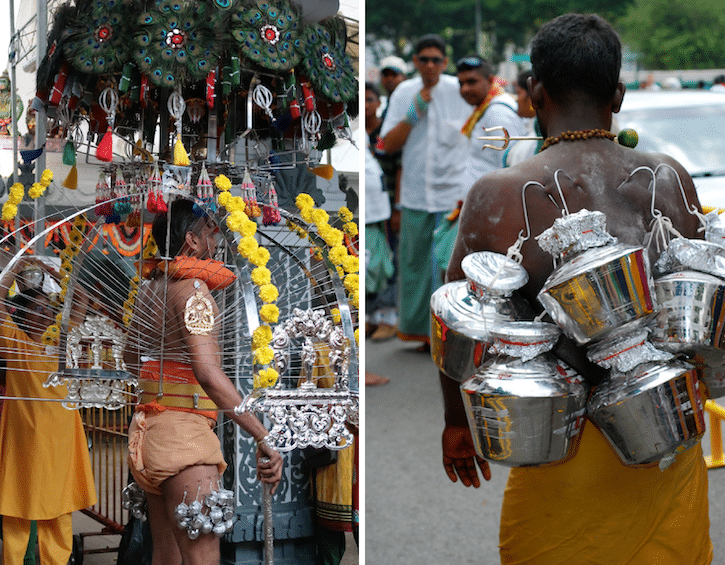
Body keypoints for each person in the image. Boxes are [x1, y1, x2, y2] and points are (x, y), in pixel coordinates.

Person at [439, 13, 712, 564]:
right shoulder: (668, 177)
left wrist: (456, 423)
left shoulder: (498, 193)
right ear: (618, 93)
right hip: (662, 430)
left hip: (556, 440)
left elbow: (457, 323)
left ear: (534, 91)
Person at [124, 199, 283, 565]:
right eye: (211, 231)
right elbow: (209, 374)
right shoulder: (193, 289)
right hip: (184, 440)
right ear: (192, 242)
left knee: (166, 555)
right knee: (202, 558)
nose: (216, 240)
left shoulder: (151, 287)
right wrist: (262, 435)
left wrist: (165, 380)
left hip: (146, 434)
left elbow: (132, 358)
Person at [0, 258, 96, 565]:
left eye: (48, 309)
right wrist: (16, 268)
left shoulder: (62, 343)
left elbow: (81, 297)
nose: (44, 314)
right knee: (18, 505)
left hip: (61, 441)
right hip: (24, 443)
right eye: (36, 309)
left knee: (59, 507)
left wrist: (52, 273)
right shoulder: (14, 342)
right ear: (23, 315)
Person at [380, 34, 470, 349]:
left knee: (446, 267)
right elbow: (387, 145)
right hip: (417, 195)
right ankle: (420, 334)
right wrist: (412, 114)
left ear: (444, 63)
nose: (430, 65)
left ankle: (447, 336)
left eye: (436, 60)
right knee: (415, 268)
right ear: (415, 62)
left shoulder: (460, 90)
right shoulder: (405, 92)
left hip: (452, 196)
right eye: (424, 59)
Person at [455, 55, 526, 187]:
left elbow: (512, 168)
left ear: (490, 80)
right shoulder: (484, 109)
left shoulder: (498, 112)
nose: (465, 89)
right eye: (461, 83)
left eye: (471, 82)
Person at [365, 82, 398, 343]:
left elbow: (398, 166)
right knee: (366, 265)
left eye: (370, 100)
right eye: (361, 100)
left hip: (384, 209)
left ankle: (387, 317)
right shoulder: (353, 130)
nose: (365, 106)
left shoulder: (385, 131)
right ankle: (369, 318)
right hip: (362, 210)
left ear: (378, 103)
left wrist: (396, 208)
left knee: (384, 264)